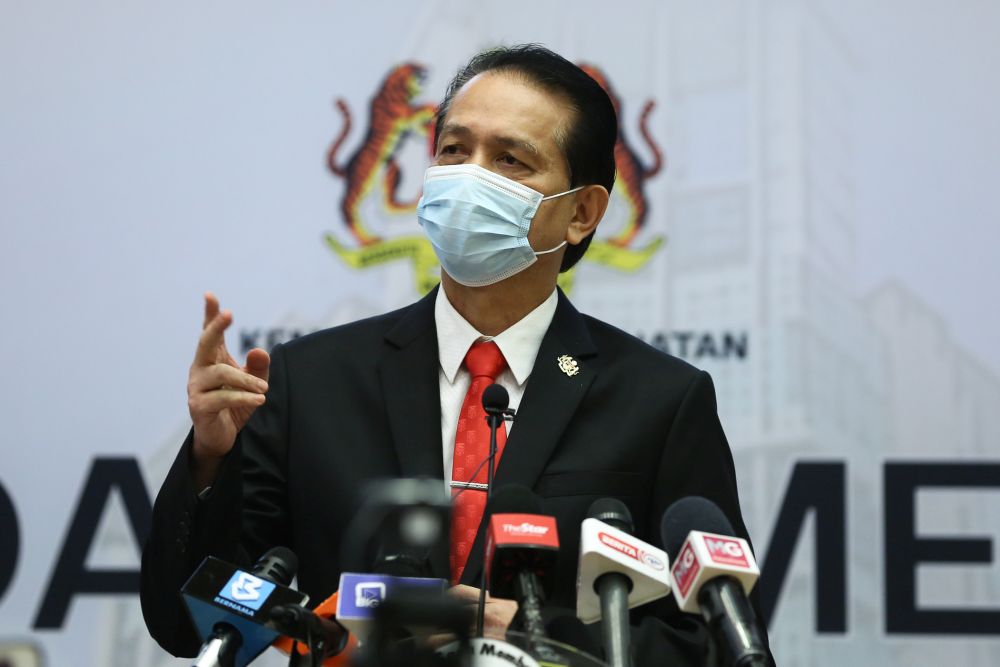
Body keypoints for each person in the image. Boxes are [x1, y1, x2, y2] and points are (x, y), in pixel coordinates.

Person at [141, 44, 766, 666]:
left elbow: (722, 645)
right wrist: (210, 463)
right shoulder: (312, 380)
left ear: (581, 212)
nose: (469, 177)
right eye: (454, 150)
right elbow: (185, 624)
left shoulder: (659, 401)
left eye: (510, 160)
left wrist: (525, 635)